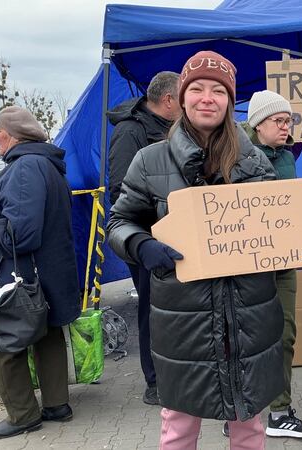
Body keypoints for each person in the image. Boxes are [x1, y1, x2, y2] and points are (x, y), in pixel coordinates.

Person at [107, 50, 287, 450]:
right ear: (182, 97)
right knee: (178, 427)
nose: (208, 97)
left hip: (249, 316)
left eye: (219, 90)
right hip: (182, 320)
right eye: (198, 88)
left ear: (230, 100)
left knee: (249, 425)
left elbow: (282, 226)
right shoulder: (148, 160)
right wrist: (141, 244)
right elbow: (118, 223)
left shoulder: (255, 162)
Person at [0, 106, 80, 439]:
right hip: (43, 274)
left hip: (15, 278)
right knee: (47, 332)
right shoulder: (43, 164)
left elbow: (22, 232)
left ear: (12, 134)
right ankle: (56, 404)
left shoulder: (26, 167)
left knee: (2, 342)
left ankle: (23, 415)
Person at [231, 89, 302, 438]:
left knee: (284, 334)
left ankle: (280, 413)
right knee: (244, 338)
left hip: (284, 263)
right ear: (257, 123)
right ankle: (238, 411)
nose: (286, 127)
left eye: (289, 120)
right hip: (247, 264)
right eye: (279, 121)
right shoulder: (235, 153)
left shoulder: (286, 157)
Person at [107, 71, 181, 405]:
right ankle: (156, 382)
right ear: (169, 100)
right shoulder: (130, 132)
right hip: (149, 241)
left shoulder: (173, 130)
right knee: (153, 309)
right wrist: (150, 235)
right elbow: (120, 191)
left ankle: (177, 372)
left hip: (179, 236)